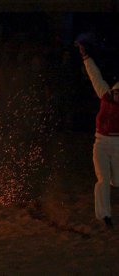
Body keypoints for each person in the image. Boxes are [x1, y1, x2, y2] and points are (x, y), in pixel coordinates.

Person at [78, 42, 119, 228]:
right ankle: (105, 216)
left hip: (118, 145)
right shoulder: (104, 94)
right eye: (117, 92)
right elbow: (95, 76)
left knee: (116, 181)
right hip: (100, 143)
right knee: (102, 180)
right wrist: (86, 57)